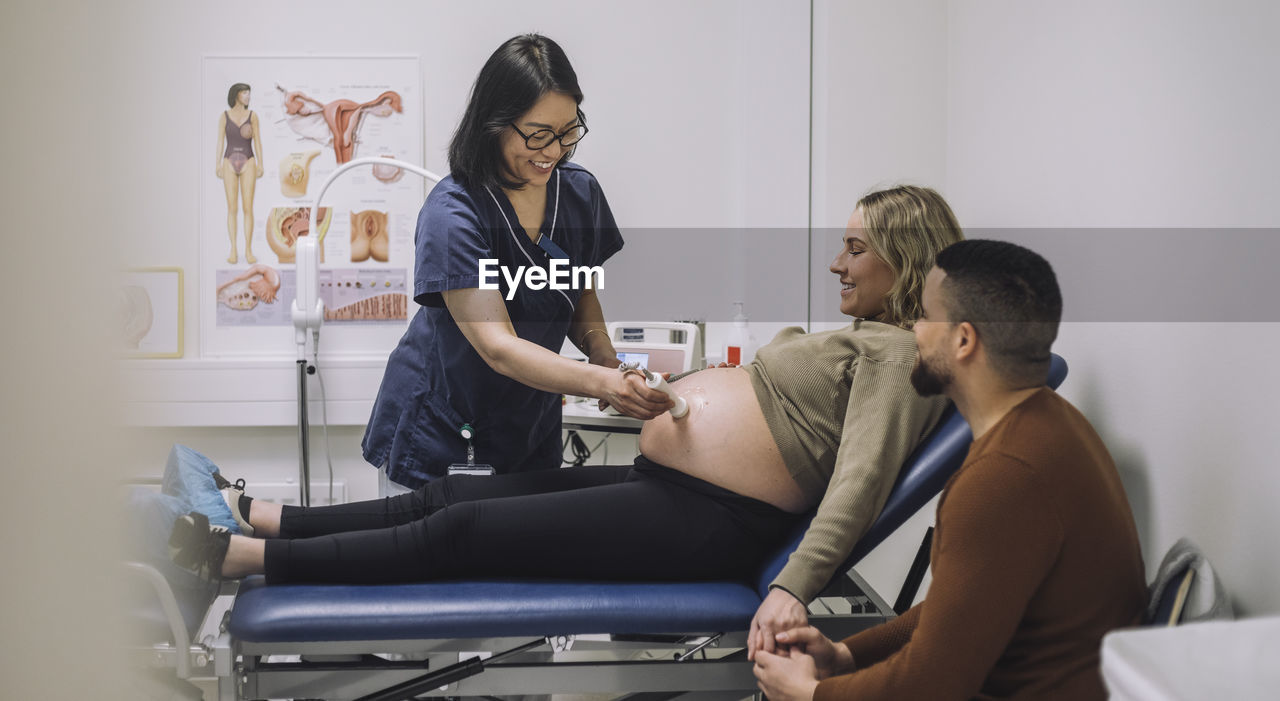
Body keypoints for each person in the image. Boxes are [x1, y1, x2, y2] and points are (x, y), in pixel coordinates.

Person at [170, 187, 965, 637]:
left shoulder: (898, 355)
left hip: (716, 520)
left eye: (857, 247)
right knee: (454, 497)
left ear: (907, 256)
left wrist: (794, 586)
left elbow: (859, 478)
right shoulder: (866, 342)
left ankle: (240, 559)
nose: (838, 259)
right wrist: (660, 391)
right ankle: (255, 511)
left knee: (463, 532)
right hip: (675, 487)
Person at [752, 239, 1147, 701]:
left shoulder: (1002, 477)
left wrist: (809, 695)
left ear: (963, 340)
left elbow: (929, 687)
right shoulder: (1054, 425)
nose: (913, 330)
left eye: (923, 316)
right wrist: (846, 655)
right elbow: (961, 608)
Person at [358, 34, 671, 490]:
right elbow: (498, 347)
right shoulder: (454, 213)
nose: (554, 151)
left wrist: (604, 357)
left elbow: (578, 294)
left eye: (568, 131)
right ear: (495, 123)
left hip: (529, 430)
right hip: (441, 433)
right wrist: (601, 384)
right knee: (432, 558)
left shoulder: (579, 193)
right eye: (538, 135)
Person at [216, 83, 264, 264]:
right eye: (245, 93)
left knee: (247, 208)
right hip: (229, 160)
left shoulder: (253, 116)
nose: (248, 96)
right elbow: (220, 141)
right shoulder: (224, 117)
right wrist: (217, 163)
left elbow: (257, 141)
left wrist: (260, 162)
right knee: (232, 208)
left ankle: (248, 250)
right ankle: (233, 249)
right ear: (236, 95)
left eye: (249, 93)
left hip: (248, 160)